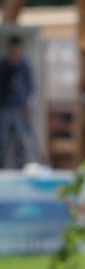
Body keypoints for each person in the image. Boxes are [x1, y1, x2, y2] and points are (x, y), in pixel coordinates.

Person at [0, 35, 35, 169]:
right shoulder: (3, 66)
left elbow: (31, 87)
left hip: (21, 109)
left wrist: (29, 104)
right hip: (4, 109)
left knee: (22, 141)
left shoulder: (25, 66)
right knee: (2, 141)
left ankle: (22, 168)